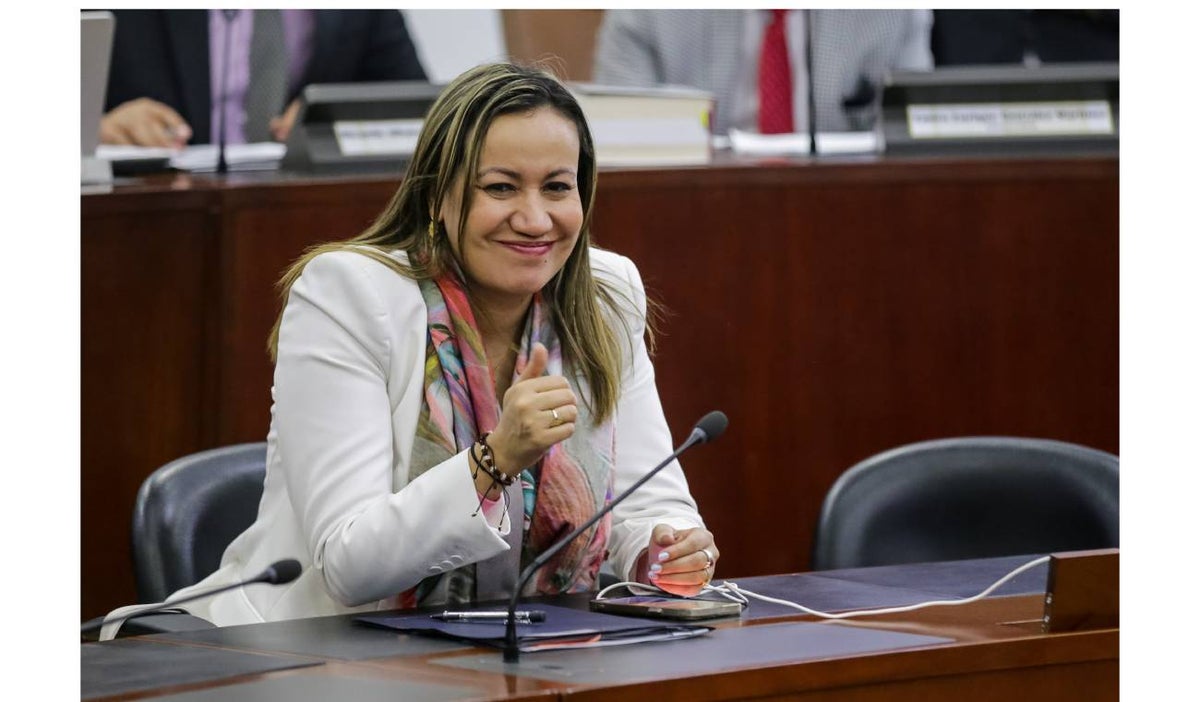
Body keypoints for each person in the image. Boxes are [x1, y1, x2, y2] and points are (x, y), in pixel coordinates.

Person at [103, 62, 718, 634]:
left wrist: (664, 548)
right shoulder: (349, 294)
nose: (535, 219)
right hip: (306, 656)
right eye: (501, 188)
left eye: (557, 187)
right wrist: (496, 459)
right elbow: (349, 564)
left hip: (521, 651)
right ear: (439, 196)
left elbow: (650, 502)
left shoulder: (605, 295)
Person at [101, 9, 426, 147]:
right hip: (146, 214)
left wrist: (333, 116)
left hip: (300, 216)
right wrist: (94, 128)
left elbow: (419, 107)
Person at [592, 9, 932, 135]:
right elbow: (617, 145)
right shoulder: (645, 15)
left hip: (848, 214)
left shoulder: (893, 13)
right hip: (696, 214)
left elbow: (916, 132)